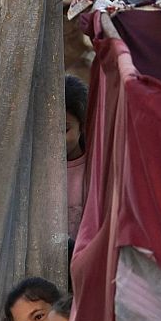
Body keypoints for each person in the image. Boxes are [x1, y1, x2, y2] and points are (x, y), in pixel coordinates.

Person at [64, 75, 89, 243]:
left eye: (64, 129)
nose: (55, 138)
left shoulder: (96, 168)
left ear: (82, 126)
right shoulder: (35, 171)